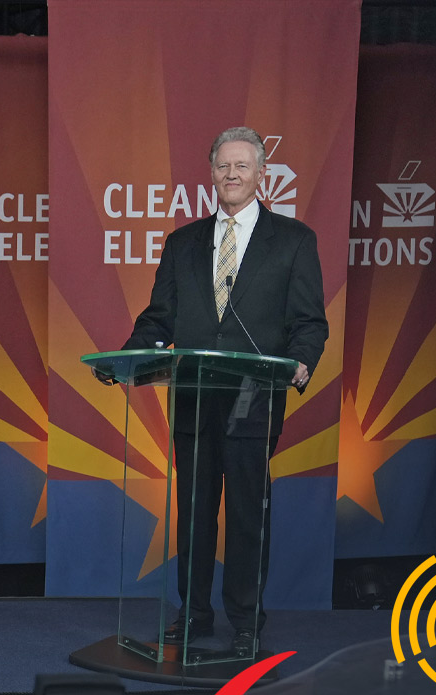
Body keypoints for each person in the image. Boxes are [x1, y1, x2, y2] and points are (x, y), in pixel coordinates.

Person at [119, 126, 327, 655]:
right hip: (192, 395)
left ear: (261, 174)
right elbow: (157, 318)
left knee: (245, 512)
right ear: (211, 173)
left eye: (242, 167)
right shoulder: (182, 242)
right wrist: (130, 355)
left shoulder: (295, 240)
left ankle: (244, 621)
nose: (231, 175)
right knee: (193, 511)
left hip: (254, 396)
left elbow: (309, 324)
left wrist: (301, 364)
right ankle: (193, 615)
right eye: (222, 166)